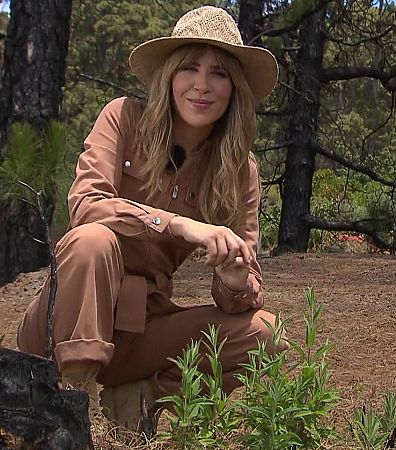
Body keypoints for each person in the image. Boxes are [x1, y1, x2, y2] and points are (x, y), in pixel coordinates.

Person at [16, 6, 283, 432]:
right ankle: (71, 403)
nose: (201, 85)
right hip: (63, 324)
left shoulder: (239, 169)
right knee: (93, 241)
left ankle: (139, 396)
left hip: (141, 331)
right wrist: (178, 224)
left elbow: (247, 288)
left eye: (218, 73)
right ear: (168, 76)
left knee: (266, 334)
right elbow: (85, 204)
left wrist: (234, 280)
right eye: (189, 68)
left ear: (235, 87)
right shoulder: (122, 118)